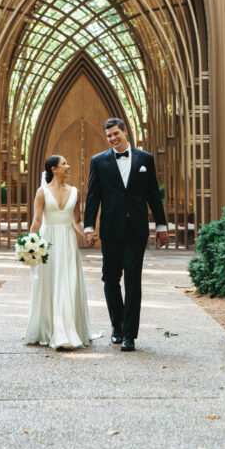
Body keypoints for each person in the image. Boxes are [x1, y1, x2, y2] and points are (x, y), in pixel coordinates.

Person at [83, 117, 167, 352]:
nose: (113, 139)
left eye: (116, 134)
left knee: (133, 280)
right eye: (109, 136)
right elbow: (93, 197)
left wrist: (161, 226)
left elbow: (153, 195)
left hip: (136, 230)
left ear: (125, 132)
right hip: (110, 229)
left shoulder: (145, 159)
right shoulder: (98, 161)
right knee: (110, 279)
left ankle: (130, 334)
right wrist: (89, 227)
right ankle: (117, 327)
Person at [23, 154, 91, 350]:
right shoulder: (42, 192)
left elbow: (76, 221)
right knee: (49, 283)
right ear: (53, 169)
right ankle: (48, 329)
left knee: (68, 283)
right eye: (64, 163)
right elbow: (36, 220)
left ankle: (69, 329)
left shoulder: (75, 192)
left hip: (68, 242)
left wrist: (86, 234)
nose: (68, 166)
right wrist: (30, 243)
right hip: (48, 240)